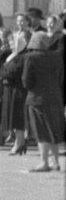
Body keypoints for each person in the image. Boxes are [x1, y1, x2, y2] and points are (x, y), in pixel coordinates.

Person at [22, 31, 63, 172]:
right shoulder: (57, 56)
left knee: (41, 131)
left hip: (37, 98)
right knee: (53, 130)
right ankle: (56, 162)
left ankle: (44, 161)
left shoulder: (30, 57)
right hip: (55, 97)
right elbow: (60, 77)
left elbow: (26, 81)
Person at [0, 33, 30, 156]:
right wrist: (4, 73)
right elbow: (2, 70)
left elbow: (13, 72)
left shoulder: (22, 57)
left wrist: (4, 73)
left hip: (17, 91)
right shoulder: (11, 56)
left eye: (13, 42)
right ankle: (19, 142)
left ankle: (19, 143)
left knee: (17, 117)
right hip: (9, 89)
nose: (11, 45)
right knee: (12, 117)